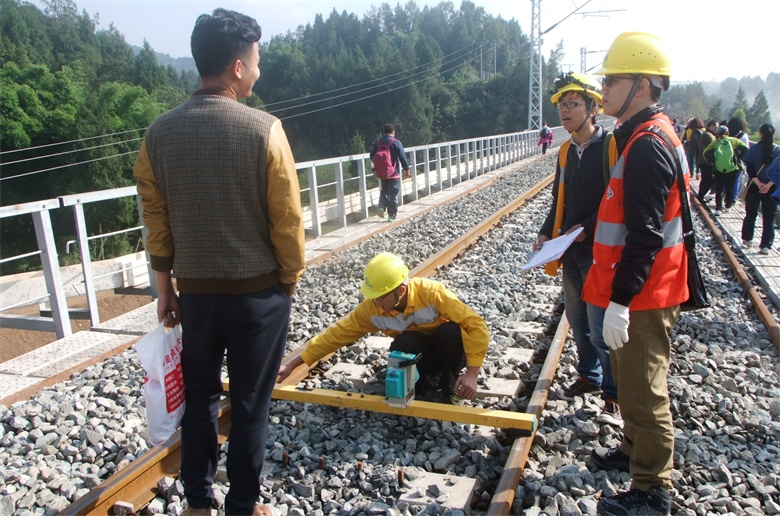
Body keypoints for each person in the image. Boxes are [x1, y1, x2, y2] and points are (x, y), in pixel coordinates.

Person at [133, 9, 305, 516]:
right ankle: (245, 505)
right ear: (236, 65)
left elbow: (156, 217)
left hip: (197, 295)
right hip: (259, 296)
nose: (258, 69)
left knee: (202, 398)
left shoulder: (157, 135)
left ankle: (197, 503)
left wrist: (165, 285)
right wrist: (289, 279)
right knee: (252, 403)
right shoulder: (265, 130)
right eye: (255, 60)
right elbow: (287, 221)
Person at [584, 32, 689, 514]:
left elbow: (646, 235)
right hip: (638, 290)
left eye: (612, 80)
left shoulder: (648, 144)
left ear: (642, 85)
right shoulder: (643, 135)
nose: (603, 90)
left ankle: (652, 489)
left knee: (646, 392)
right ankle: (630, 452)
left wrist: (621, 302)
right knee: (629, 383)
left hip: (647, 293)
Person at [277, 252, 489, 404]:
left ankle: (450, 387)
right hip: (422, 356)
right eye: (373, 297)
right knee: (404, 343)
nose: (376, 302)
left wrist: (472, 372)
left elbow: (475, 324)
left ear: (402, 290)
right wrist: (293, 364)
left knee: (451, 332)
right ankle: (418, 387)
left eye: (381, 297)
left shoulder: (432, 293)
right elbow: (337, 334)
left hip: (448, 353)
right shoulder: (372, 310)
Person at [535, 72, 620, 427]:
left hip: (601, 252)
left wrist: (587, 227)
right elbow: (559, 199)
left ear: (593, 109)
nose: (564, 111)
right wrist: (544, 234)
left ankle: (614, 393)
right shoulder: (567, 151)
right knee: (577, 318)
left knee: (601, 327)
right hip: (571, 252)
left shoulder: (612, 148)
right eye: (561, 105)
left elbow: (619, 200)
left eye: (572, 104)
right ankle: (588, 375)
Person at [740, 123, 780, 254]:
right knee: (769, 217)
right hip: (772, 188)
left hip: (754, 186)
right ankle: (765, 245)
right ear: (773, 134)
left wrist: (759, 184)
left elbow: (749, 168)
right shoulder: (778, 150)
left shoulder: (754, 149)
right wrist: (768, 185)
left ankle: (747, 239)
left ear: (760, 134)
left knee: (751, 213)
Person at [703, 125, 749, 215]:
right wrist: (739, 158)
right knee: (730, 187)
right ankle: (728, 206)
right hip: (733, 168)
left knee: (719, 188)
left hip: (719, 169)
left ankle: (718, 209)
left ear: (718, 134)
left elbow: (705, 152)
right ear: (728, 133)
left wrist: (712, 162)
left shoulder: (716, 142)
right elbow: (746, 148)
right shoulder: (734, 141)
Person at [370, 124, 410, 222]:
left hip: (382, 173)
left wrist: (377, 167)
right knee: (393, 194)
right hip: (393, 173)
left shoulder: (378, 143)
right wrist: (406, 169)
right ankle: (391, 215)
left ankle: (382, 207)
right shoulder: (396, 142)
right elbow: (402, 157)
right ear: (393, 132)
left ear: (384, 132)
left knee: (384, 191)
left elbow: (372, 156)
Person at [727, 116, 750, 205]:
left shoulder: (726, 134)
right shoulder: (743, 136)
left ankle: (725, 195)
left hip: (725, 160)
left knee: (726, 179)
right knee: (735, 180)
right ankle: (733, 198)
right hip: (737, 162)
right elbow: (746, 148)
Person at [695, 120, 719, 204]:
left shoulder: (706, 134)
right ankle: (700, 196)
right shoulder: (708, 136)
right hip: (706, 162)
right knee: (709, 180)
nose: (717, 129)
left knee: (705, 179)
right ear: (711, 126)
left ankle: (700, 196)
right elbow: (711, 150)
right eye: (716, 127)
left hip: (703, 161)